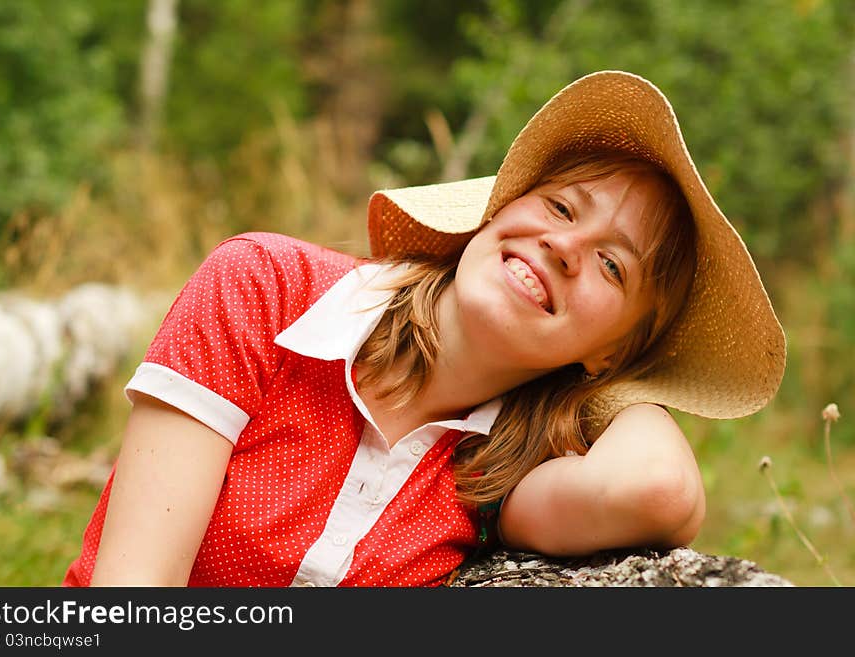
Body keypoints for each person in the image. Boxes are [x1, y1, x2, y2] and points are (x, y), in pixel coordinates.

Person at [64, 70, 786, 587]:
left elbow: (661, 490)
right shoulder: (264, 289)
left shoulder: (508, 468)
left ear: (613, 349)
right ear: (499, 210)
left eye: (612, 266)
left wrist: (614, 389)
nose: (565, 249)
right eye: (562, 209)